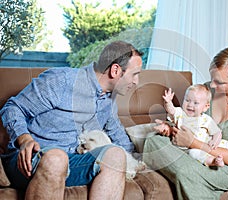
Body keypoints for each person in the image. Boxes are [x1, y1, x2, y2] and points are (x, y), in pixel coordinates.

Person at [0, 41, 143, 199]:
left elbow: (119, 137)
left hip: (73, 163)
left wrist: (142, 160)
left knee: (116, 155)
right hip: (31, 161)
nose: (136, 81)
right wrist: (24, 139)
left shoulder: (108, 101)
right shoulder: (62, 80)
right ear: (115, 70)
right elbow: (13, 107)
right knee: (57, 158)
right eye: (135, 74)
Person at [143, 46, 228, 199]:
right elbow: (191, 122)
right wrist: (171, 129)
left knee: (185, 173)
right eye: (212, 78)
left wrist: (192, 143)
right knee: (152, 141)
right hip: (201, 149)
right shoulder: (207, 90)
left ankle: (193, 177)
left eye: (219, 82)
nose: (212, 85)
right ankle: (200, 183)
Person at [155, 85, 228, 168]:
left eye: (196, 103)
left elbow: (217, 132)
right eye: (187, 100)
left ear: (206, 107)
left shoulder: (206, 119)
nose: (190, 105)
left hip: (206, 144)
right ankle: (213, 162)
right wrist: (168, 102)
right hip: (189, 148)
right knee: (194, 154)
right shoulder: (180, 113)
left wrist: (214, 141)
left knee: (224, 144)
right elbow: (171, 110)